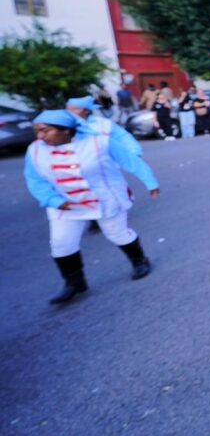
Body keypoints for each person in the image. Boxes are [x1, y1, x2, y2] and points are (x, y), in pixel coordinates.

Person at [24, 110, 160, 304]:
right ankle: (74, 283)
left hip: (105, 198)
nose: (40, 136)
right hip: (64, 204)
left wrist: (150, 182)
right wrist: (54, 200)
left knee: (117, 234)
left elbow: (130, 161)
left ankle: (140, 261)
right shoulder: (35, 150)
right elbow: (34, 179)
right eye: (37, 131)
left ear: (66, 131)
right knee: (61, 243)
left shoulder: (99, 142)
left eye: (45, 130)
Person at [65, 96, 143, 157]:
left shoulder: (103, 124)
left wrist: (134, 153)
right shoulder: (62, 125)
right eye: (68, 109)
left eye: (74, 109)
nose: (70, 112)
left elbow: (122, 136)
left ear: (86, 111)